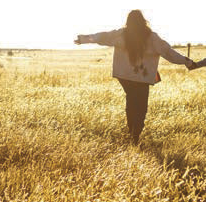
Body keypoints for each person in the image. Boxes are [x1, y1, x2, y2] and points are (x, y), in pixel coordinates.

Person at [76, 10, 194, 144]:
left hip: (125, 77)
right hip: (142, 79)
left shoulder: (121, 34)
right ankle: (135, 134)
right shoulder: (151, 37)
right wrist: (186, 61)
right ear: (143, 21)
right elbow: (168, 52)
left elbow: (102, 37)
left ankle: (132, 132)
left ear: (128, 21)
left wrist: (83, 39)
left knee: (131, 102)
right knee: (140, 107)